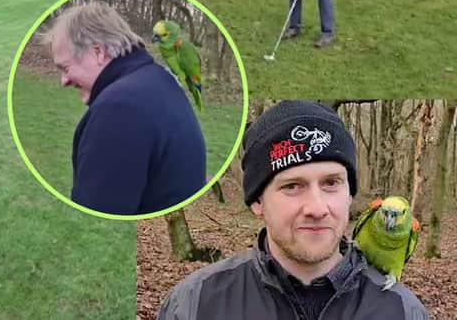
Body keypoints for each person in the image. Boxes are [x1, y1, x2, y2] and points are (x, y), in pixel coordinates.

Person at [157, 101, 429, 319]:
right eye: (292, 186)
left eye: (331, 183)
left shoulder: (403, 310)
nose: (317, 208)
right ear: (257, 202)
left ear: (349, 195)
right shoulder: (195, 303)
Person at [42, 2, 206, 215]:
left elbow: (96, 222)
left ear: (98, 52)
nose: (63, 81)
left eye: (65, 68)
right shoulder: (158, 79)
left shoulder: (118, 110)